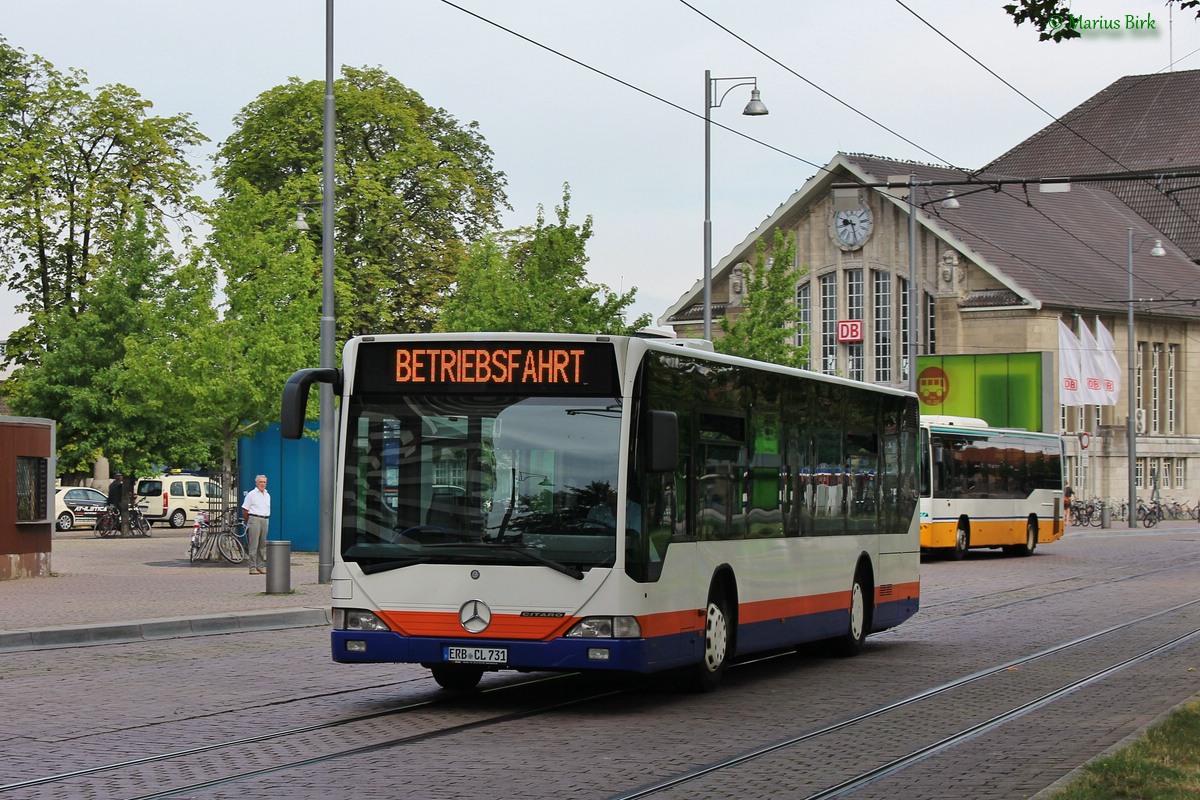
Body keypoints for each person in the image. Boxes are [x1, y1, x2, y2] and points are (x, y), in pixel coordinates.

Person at [241, 474, 271, 575]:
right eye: (260, 482)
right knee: (254, 545)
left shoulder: (267, 495)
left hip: (265, 519)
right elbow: (245, 509)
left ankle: (261, 566)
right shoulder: (251, 494)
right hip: (254, 518)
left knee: (262, 545)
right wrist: (250, 521)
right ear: (256, 483)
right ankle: (252, 567)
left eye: (264, 482)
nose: (262, 484)